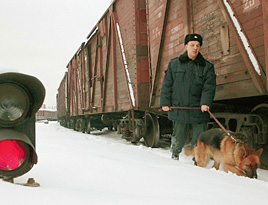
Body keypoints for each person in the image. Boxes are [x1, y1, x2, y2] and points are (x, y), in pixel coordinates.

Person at [160, 33, 216, 160]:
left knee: (199, 139)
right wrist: (165, 103)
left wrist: (205, 103)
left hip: (198, 110)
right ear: (186, 46)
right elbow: (167, 85)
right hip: (179, 108)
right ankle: (174, 155)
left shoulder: (207, 66)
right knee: (178, 136)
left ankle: (197, 159)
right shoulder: (174, 64)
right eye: (192, 45)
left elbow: (209, 87)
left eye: (197, 45)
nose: (195, 48)